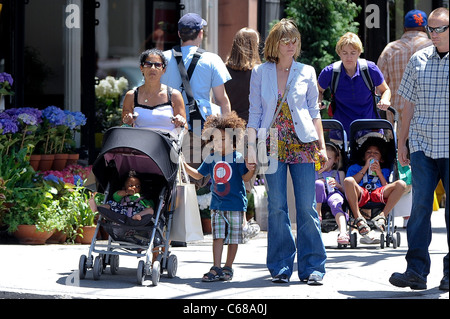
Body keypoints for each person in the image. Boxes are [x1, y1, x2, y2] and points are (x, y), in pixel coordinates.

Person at [247, 19, 327, 285]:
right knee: (277, 207)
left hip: (303, 143)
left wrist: (322, 146)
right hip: (270, 143)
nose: (291, 45)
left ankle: (313, 267)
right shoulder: (260, 72)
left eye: (294, 40)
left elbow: (315, 112)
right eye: (286, 40)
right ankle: (281, 266)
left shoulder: (307, 71)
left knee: (306, 207)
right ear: (275, 43)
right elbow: (255, 112)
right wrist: (250, 147)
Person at [389, 7, 449, 291]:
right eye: (431, 29)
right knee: (420, 209)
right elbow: (407, 105)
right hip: (423, 146)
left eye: (440, 29)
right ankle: (415, 270)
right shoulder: (418, 60)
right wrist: (401, 143)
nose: (434, 35)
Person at [183, 112, 256, 282]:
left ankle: (228, 267)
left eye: (222, 139)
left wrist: (251, 168)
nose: (218, 143)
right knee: (217, 237)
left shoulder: (238, 158)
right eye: (215, 140)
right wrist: (184, 165)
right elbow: (199, 175)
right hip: (217, 205)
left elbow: (245, 178)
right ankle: (216, 267)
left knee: (233, 239)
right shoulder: (211, 158)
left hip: (236, 204)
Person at [161, 13, 231, 181]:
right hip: (202, 126)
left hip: (169, 126)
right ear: (201, 33)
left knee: (170, 176)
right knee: (200, 178)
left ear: (179, 34)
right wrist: (227, 133)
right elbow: (222, 99)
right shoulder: (212, 59)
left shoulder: (162, 59)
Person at [224, 27, 262, 241]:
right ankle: (243, 223)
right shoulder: (258, 71)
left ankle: (234, 221)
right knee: (246, 177)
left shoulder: (224, 68)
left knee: (229, 175)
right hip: (252, 130)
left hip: (228, 129)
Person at [317, 32, 391, 137]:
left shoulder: (370, 69)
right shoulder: (330, 71)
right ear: (339, 53)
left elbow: (385, 90)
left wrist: (385, 100)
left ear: (359, 53)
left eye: (353, 52)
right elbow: (318, 90)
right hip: (341, 131)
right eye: (345, 53)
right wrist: (318, 101)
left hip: (370, 129)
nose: (349, 57)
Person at [377, 9, 432, 134]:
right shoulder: (433, 48)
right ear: (425, 28)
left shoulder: (390, 49)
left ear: (405, 28)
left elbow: (378, 86)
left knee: (398, 151)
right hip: (427, 117)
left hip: (397, 118)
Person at [344, 137, 407, 243]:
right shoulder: (355, 168)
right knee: (349, 180)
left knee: (401, 184)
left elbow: (386, 186)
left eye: (376, 153)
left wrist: (379, 173)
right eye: (368, 152)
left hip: (378, 192)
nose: (372, 155)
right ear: (364, 156)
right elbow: (349, 184)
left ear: (381, 159)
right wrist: (365, 168)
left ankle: (382, 216)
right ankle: (358, 219)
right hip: (361, 192)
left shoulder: (385, 170)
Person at [121, 48, 187, 133]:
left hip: (166, 144)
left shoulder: (174, 95)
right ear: (141, 68)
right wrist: (127, 122)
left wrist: (180, 123)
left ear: (164, 70)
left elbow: (184, 129)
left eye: (157, 65)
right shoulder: (131, 96)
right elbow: (123, 128)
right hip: (139, 144)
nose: (152, 68)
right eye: (148, 64)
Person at [225, 27, 262, 122]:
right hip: (253, 126)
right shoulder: (259, 71)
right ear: (253, 47)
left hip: (230, 125)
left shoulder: (223, 69)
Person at [89, 170, 154, 222]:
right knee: (110, 204)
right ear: (124, 187)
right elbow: (116, 196)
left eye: (137, 186)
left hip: (137, 212)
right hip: (122, 211)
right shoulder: (124, 194)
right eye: (130, 186)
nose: (134, 187)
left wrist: (148, 205)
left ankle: (137, 216)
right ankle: (97, 208)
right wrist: (126, 192)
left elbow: (149, 204)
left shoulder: (142, 197)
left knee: (150, 210)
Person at [315, 143, 348, 245]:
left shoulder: (339, 173)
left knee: (336, 203)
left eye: (328, 158)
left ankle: (343, 232)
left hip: (334, 193)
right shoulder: (315, 172)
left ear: (335, 160)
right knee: (319, 184)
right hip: (319, 197)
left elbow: (345, 191)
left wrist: (337, 185)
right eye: (322, 158)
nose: (324, 161)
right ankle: (318, 214)